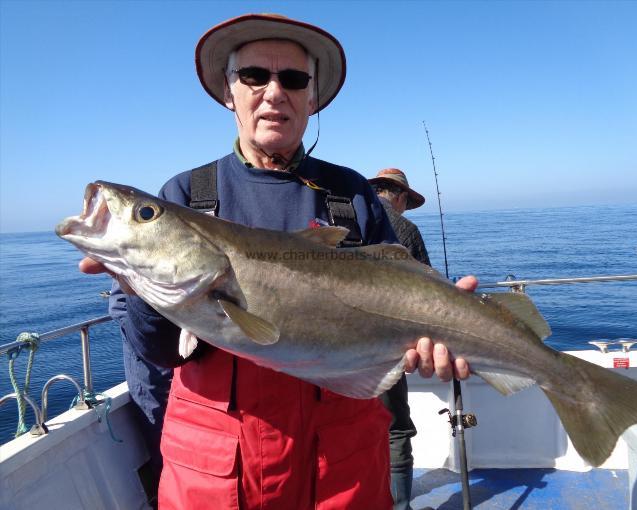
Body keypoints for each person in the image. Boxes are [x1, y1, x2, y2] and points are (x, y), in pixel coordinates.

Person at [80, 13, 475, 510]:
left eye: (292, 79)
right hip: (218, 466)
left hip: (341, 466)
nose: (273, 91)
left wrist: (435, 333)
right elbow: (159, 352)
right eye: (253, 76)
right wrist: (136, 291)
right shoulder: (184, 196)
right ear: (229, 91)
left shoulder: (351, 192)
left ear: (311, 98)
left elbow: (395, 308)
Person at [369, 168, 431, 510]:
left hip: (344, 343)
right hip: (390, 346)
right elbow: (428, 293)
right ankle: (401, 505)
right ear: (402, 197)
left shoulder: (346, 219)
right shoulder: (408, 229)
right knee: (396, 429)